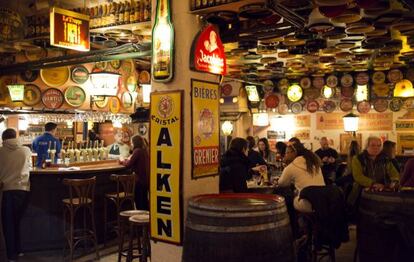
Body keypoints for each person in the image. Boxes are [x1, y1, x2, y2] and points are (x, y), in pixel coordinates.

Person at [0, 129, 31, 261]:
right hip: (23, 190)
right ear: (15, 136)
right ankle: (19, 250)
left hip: (7, 190)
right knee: (19, 221)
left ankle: (12, 255)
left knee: (8, 223)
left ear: (3, 139)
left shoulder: (0, 151)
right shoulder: (26, 150)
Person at [277, 142, 325, 212]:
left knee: (287, 198)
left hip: (307, 203)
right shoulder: (313, 162)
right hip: (323, 201)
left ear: (293, 153)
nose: (285, 155)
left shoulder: (292, 166)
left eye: (287, 153)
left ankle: (293, 221)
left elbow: (281, 183)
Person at [120, 135, 149, 210]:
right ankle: (145, 218)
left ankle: (139, 217)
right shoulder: (144, 151)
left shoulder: (137, 151)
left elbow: (128, 165)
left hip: (139, 180)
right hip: (145, 180)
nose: (131, 144)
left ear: (135, 143)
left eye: (132, 142)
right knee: (144, 200)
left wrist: (122, 162)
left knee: (139, 201)